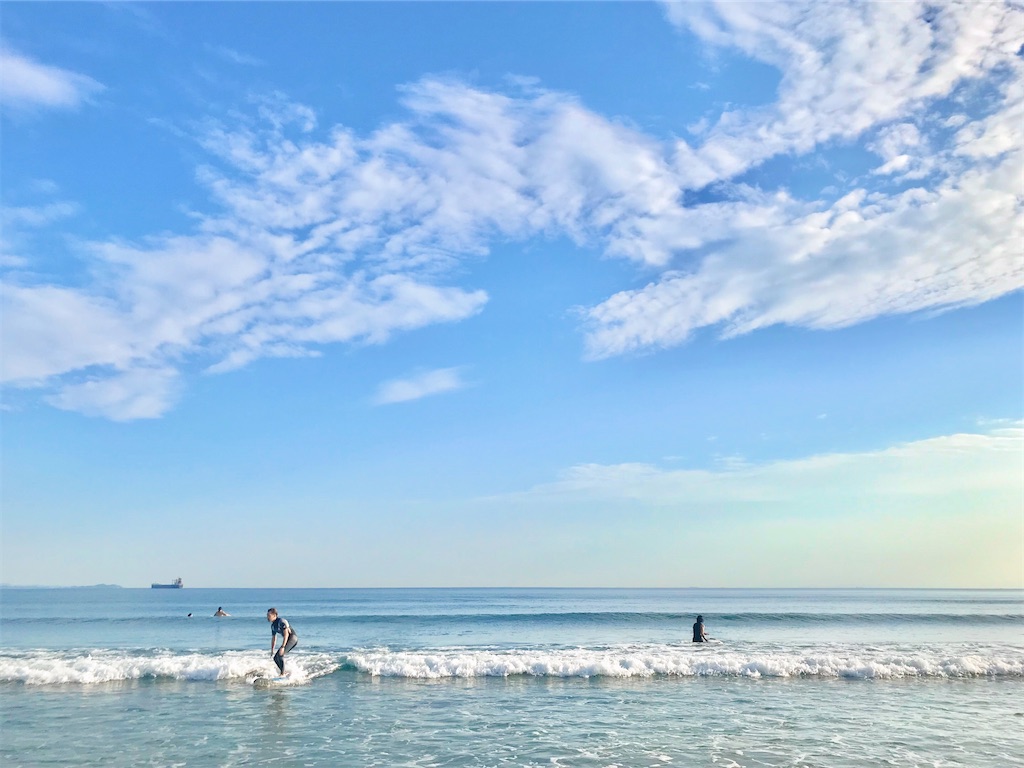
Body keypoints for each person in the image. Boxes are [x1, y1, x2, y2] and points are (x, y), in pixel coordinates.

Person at [267, 608, 298, 675]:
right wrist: (272, 650)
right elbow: (274, 638)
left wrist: (283, 646)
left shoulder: (282, 621)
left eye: (269, 616)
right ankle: (284, 672)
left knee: (280, 655)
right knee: (275, 658)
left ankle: (282, 673)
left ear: (275, 615)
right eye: (267, 615)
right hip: (287, 640)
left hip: (292, 639)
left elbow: (286, 634)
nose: (268, 617)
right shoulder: (273, 626)